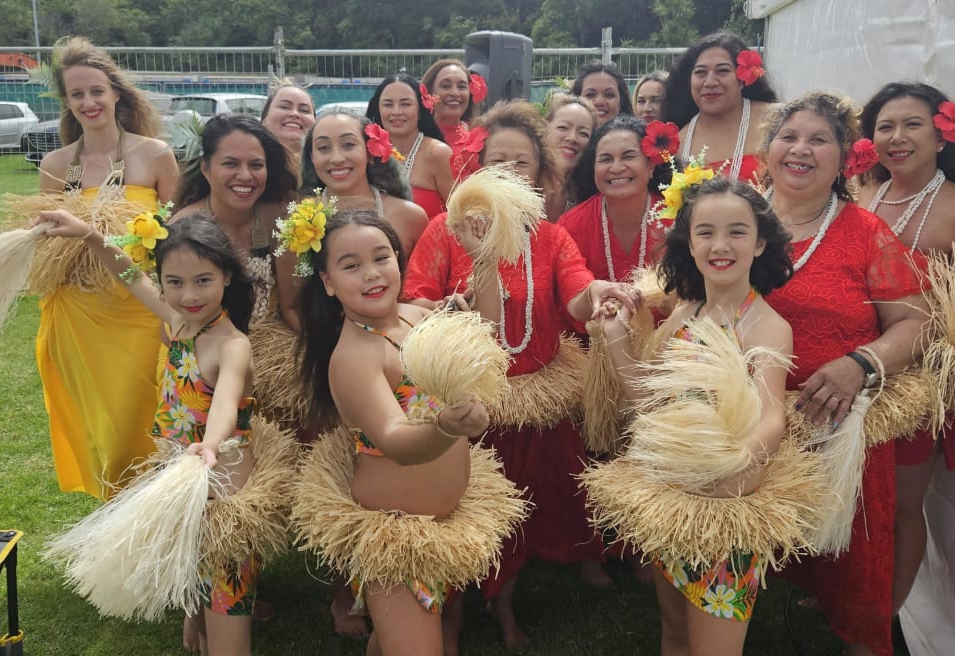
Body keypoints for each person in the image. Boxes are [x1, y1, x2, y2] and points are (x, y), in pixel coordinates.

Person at [403, 101, 639, 651]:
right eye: (498, 161)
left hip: (534, 399)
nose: (510, 172)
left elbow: (576, 298)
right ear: (477, 169)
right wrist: (446, 307)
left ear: (540, 175)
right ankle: (452, 608)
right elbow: (414, 301)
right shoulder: (445, 230)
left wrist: (598, 292)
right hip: (466, 405)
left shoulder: (550, 237)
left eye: (523, 164)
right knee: (458, 516)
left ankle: (503, 605)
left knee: (526, 513)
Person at [34, 210, 259, 656]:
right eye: (174, 282)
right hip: (178, 479)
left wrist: (209, 445)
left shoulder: (233, 345)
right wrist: (92, 236)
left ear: (227, 277)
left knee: (225, 597)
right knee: (190, 568)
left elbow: (225, 405)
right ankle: (194, 617)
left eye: (202, 280)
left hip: (222, 491)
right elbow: (130, 277)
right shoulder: (178, 323)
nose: (188, 294)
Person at [761, 90, 930, 656]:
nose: (800, 149)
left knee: (855, 558)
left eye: (818, 140)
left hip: (836, 425)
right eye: (788, 136)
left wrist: (861, 364)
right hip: (749, 417)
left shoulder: (863, 231)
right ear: (769, 149)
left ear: (844, 159)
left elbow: (914, 323)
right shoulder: (735, 216)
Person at [599, 175, 793, 656]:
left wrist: (727, 462)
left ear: (761, 241)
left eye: (737, 231)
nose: (720, 245)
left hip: (722, 503)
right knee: (675, 631)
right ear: (689, 241)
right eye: (705, 232)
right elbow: (648, 404)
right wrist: (616, 341)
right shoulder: (687, 315)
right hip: (675, 497)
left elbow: (772, 418)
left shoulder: (766, 325)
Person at [296, 209, 490, 656]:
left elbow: (486, 332)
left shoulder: (413, 317)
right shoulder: (355, 357)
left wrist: (482, 261)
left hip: (437, 525)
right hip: (396, 535)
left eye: (381, 257)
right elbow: (396, 439)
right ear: (327, 282)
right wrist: (444, 426)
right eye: (350, 265)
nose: (371, 274)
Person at [857, 81, 955, 615]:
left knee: (899, 507)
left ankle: (883, 619)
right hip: (857, 368)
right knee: (860, 500)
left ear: (942, 137)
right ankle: (854, 593)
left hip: (916, 386)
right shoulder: (864, 193)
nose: (896, 137)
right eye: (885, 126)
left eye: (911, 125)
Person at [35, 36, 179, 500]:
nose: (88, 101)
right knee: (103, 431)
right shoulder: (56, 166)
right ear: (67, 103)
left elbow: (181, 236)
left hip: (141, 311)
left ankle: (154, 512)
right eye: (76, 94)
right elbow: (44, 245)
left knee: (140, 423)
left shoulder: (155, 153)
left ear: (116, 93)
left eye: (96, 90)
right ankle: (116, 522)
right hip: (80, 318)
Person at [173, 114, 300, 330]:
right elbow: (172, 319)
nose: (245, 175)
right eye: (230, 163)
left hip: (272, 347)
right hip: (199, 349)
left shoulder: (282, 220)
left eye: (256, 165)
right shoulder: (181, 228)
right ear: (205, 168)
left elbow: (293, 307)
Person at [560, 115, 673, 283]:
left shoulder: (678, 219)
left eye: (628, 156)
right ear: (593, 169)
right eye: (606, 159)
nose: (617, 168)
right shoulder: (570, 227)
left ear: (650, 166)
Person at [301, 110, 429, 257]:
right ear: (312, 157)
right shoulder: (299, 219)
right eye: (323, 148)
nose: (336, 158)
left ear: (369, 152)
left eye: (348, 145)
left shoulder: (410, 217)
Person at [662, 33, 778, 183]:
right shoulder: (678, 142)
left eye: (722, 71)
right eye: (700, 72)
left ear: (743, 78)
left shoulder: (777, 121)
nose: (710, 82)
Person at [366, 74, 454, 218]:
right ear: (378, 110)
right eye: (388, 104)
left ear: (420, 110)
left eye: (405, 104)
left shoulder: (438, 153)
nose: (396, 112)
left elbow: (461, 214)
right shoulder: (367, 155)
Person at [543, 93, 596, 222]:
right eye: (563, 128)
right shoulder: (524, 181)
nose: (572, 138)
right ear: (544, 129)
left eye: (583, 133)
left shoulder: (586, 196)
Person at [421, 59, 478, 149]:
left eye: (461, 87)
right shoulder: (416, 136)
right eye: (445, 86)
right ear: (429, 92)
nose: (455, 93)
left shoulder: (480, 137)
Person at [260, 83, 316, 155]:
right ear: (264, 120)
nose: (295, 113)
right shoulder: (247, 160)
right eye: (284, 107)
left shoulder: (326, 163)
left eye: (304, 110)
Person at [571, 60, 633, 125]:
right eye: (590, 95)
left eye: (609, 95)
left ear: (621, 102)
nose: (599, 102)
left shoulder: (638, 134)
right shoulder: (563, 134)